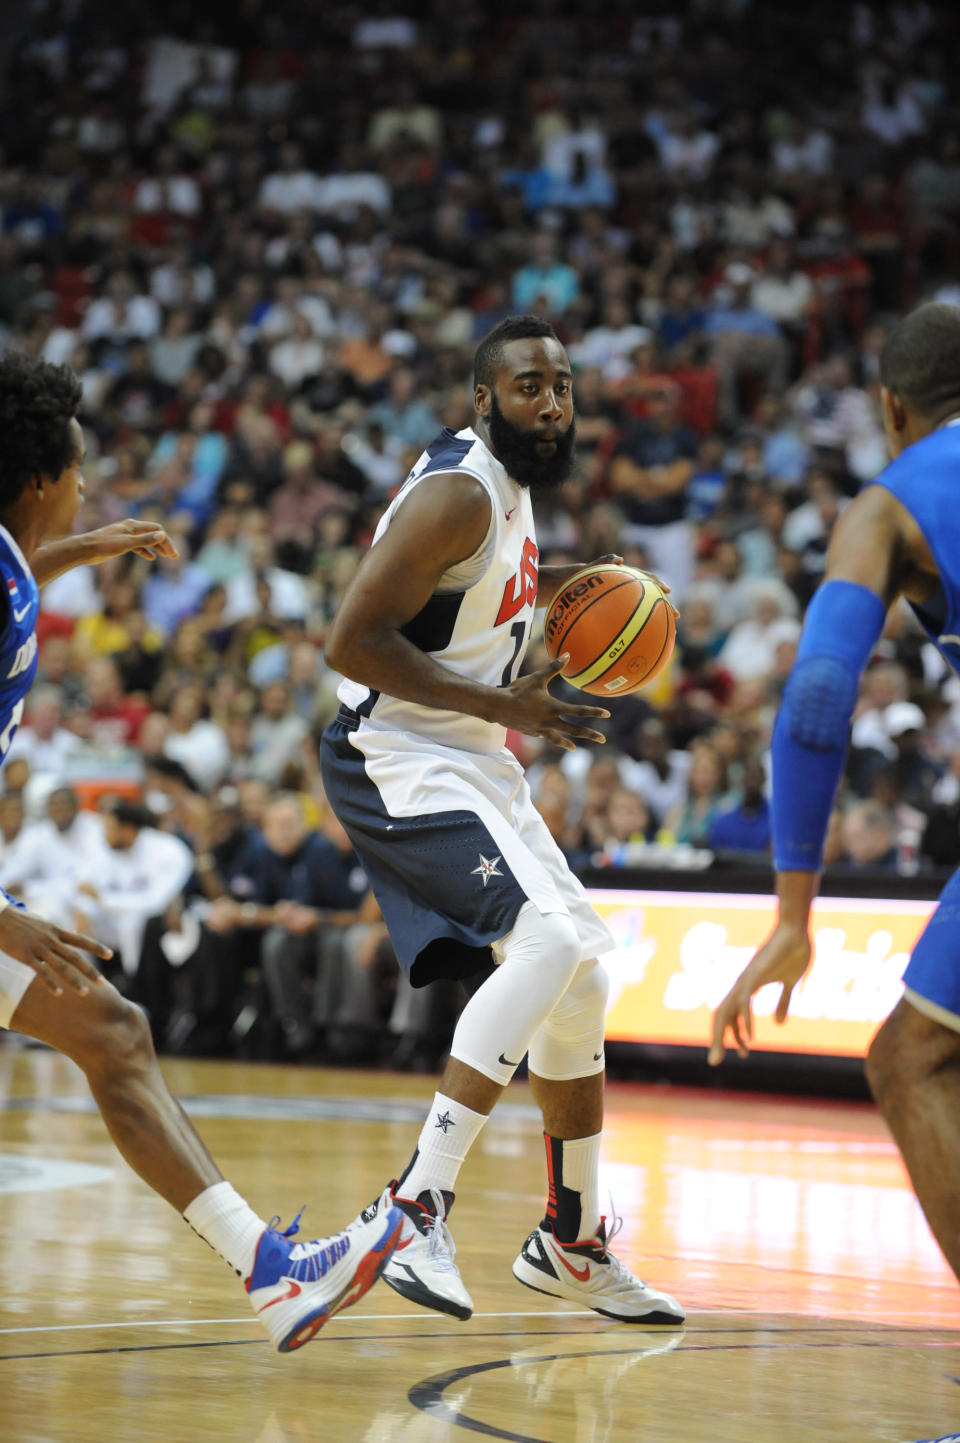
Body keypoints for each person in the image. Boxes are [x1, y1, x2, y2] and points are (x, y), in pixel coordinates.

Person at [0, 352, 401, 1350]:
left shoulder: (9, 562)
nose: (88, 484)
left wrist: (93, 545)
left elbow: (23, 569)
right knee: (118, 1036)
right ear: (42, 480)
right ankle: (272, 1274)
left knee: (115, 1036)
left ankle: (273, 1276)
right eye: (80, 473)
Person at [321, 314, 684, 1326]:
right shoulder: (457, 494)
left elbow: (489, 608)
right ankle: (413, 1208)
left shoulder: (508, 492)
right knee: (551, 941)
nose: (552, 404)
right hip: (394, 755)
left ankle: (570, 1241)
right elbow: (350, 640)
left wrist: (598, 593)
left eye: (562, 387)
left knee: (587, 971)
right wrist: (506, 707)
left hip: (470, 756)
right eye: (529, 387)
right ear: (484, 399)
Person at [708, 301, 960, 1287]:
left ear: (891, 407)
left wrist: (792, 914)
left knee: (913, 1063)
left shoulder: (892, 503)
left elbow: (816, 698)